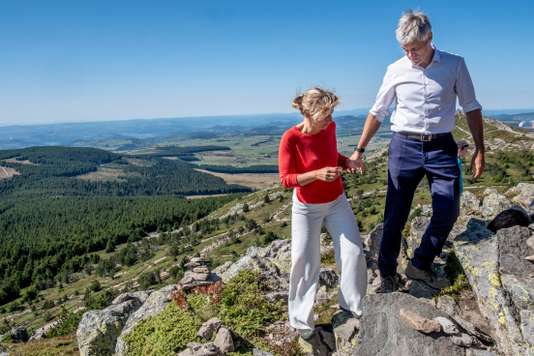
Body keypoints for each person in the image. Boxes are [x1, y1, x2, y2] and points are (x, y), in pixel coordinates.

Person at [350, 10, 485, 293]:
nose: (411, 55)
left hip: (441, 147)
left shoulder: (455, 64)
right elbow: (378, 112)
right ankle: (387, 273)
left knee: (448, 210)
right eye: (405, 49)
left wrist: (480, 148)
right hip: (404, 146)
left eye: (416, 48)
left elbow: (471, 106)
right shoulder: (395, 69)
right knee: (395, 215)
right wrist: (359, 150)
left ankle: (420, 264)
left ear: (430, 38)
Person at [278, 88, 367, 345]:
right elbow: (286, 180)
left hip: (337, 201)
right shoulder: (291, 138)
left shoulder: (330, 128)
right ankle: (302, 323)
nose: (330, 119)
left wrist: (347, 163)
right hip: (306, 208)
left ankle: (353, 308)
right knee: (305, 262)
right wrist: (316, 175)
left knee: (353, 252)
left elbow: (332, 157)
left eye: (331, 113)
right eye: (325, 114)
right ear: (309, 112)